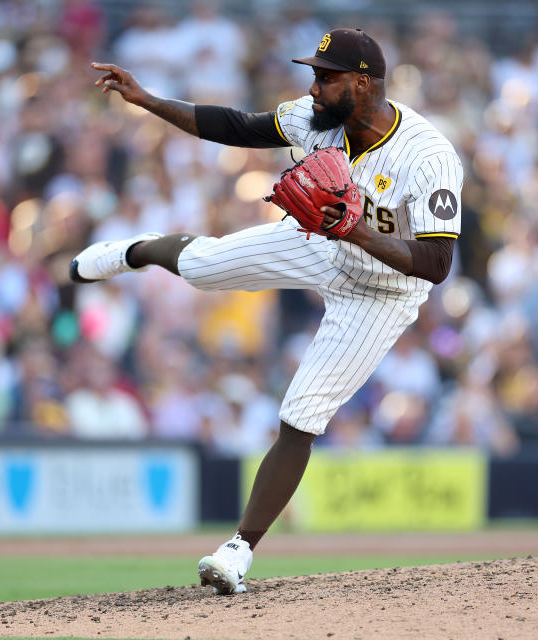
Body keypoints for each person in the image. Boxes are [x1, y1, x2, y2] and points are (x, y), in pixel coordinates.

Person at [72, 28, 464, 595]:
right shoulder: (314, 117)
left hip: (387, 290)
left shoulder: (428, 156)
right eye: (314, 73)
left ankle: (238, 550)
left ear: (364, 82)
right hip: (323, 246)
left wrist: (355, 230)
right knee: (204, 268)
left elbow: (435, 261)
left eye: (326, 77)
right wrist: (147, 100)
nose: (315, 86)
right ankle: (133, 251)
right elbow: (235, 126)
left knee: (301, 413)